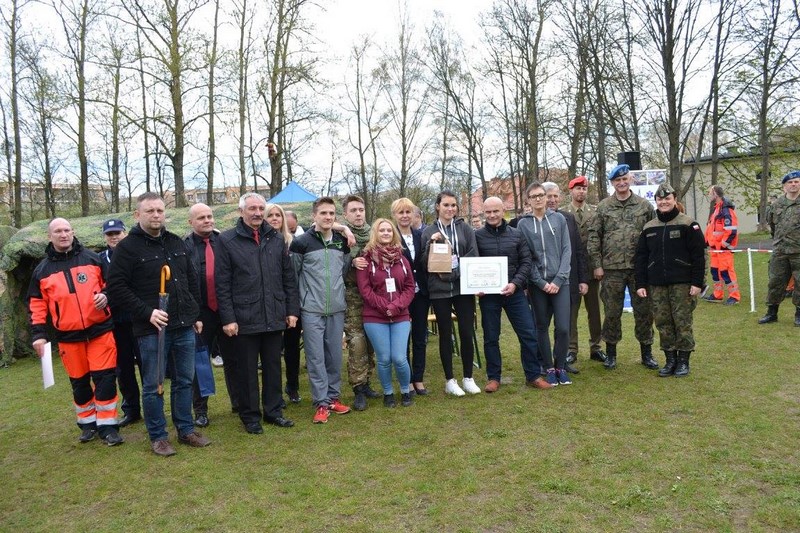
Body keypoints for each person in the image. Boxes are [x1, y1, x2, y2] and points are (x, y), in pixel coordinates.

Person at [107, 192, 209, 457]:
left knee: (184, 381)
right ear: (137, 214)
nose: (156, 215)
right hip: (152, 330)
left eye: (160, 211)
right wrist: (147, 312)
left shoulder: (176, 242)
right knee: (153, 386)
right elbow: (116, 288)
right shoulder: (127, 248)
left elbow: (190, 279)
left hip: (183, 325)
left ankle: (186, 430)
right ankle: (159, 436)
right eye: (150, 211)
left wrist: (196, 314)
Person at [27, 218, 123, 446]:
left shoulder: (93, 259)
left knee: (105, 380)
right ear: (49, 236)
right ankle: (87, 424)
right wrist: (38, 335)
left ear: (73, 232)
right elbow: (36, 305)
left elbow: (112, 285)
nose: (63, 235)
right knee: (79, 384)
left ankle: (108, 427)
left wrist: (106, 296)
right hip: (69, 338)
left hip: (100, 332)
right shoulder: (41, 271)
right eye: (58, 231)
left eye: (67, 230)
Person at [215, 194, 299, 434]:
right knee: (247, 371)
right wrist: (228, 318)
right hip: (244, 317)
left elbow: (288, 278)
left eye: (261, 208)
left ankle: (274, 411)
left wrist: (291, 310)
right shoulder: (227, 240)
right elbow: (222, 283)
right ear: (241, 211)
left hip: (274, 314)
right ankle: (250, 416)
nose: (258, 213)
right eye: (252, 208)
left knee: (273, 366)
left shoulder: (276, 238)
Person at [474, 197, 552, 392]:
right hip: (489, 295)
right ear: (484, 213)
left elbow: (526, 262)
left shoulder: (516, 234)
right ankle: (494, 377)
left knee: (528, 333)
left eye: (496, 211)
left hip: (514, 292)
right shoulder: (477, 236)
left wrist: (515, 283)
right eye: (488, 212)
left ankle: (533, 375)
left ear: (503, 211)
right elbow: (472, 263)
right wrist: (476, 285)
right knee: (491, 337)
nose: (492, 215)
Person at [587, 164, 658, 371]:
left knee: (644, 312)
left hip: (639, 269)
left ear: (630, 180)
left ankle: (647, 353)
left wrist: (651, 265)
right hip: (612, 270)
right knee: (611, 313)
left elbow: (653, 236)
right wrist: (597, 265)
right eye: (617, 180)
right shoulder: (603, 207)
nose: (621, 183)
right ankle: (611, 354)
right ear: (612, 183)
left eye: (625, 179)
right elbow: (594, 237)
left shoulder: (644, 206)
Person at [289, 197, 352, 424]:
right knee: (315, 358)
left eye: (331, 213)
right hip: (311, 310)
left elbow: (344, 271)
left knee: (334, 356)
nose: (328, 217)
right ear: (314, 215)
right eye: (323, 213)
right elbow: (293, 276)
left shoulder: (341, 242)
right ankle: (321, 403)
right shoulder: (301, 243)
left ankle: (333, 397)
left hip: (336, 308)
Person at [635, 183, 705, 377]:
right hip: (656, 284)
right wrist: (641, 283)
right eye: (660, 199)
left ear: (675, 200)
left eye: (667, 199)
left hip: (682, 284)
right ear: (656, 202)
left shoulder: (688, 224)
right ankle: (670, 360)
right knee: (663, 322)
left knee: (682, 322)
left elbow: (699, 256)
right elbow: (641, 258)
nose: (664, 202)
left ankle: (683, 361)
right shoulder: (649, 227)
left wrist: (697, 283)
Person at [421, 190, 481, 396]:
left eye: (453, 205)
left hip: (463, 287)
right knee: (445, 334)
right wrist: (430, 244)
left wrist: (456, 273)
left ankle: (468, 377)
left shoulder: (465, 229)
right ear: (437, 206)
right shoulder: (429, 231)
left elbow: (473, 254)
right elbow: (423, 263)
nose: (450, 209)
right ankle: (450, 380)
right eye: (446, 205)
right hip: (439, 289)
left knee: (466, 331)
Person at [184, 203, 238, 426]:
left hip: (228, 311)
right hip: (200, 314)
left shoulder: (226, 242)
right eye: (201, 218)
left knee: (234, 359)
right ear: (191, 222)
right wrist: (193, 315)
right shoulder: (184, 247)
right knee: (200, 363)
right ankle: (201, 410)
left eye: (209, 216)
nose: (207, 220)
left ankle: (239, 402)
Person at [356, 219, 416, 407]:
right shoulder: (365, 260)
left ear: (393, 233)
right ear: (375, 233)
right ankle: (388, 393)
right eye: (382, 230)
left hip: (400, 315)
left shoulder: (402, 259)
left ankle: (405, 390)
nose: (386, 233)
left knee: (399, 358)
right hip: (375, 317)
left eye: (389, 230)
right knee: (383, 359)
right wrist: (385, 307)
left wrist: (396, 306)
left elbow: (410, 287)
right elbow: (365, 290)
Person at [518, 183, 573, 386]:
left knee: (563, 328)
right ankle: (548, 367)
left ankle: (561, 367)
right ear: (528, 200)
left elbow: (567, 250)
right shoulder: (523, 225)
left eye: (541, 195)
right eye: (534, 196)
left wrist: (558, 280)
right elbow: (526, 257)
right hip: (538, 285)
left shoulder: (558, 219)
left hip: (561, 282)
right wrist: (540, 282)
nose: (539, 199)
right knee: (541, 326)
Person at [543, 181, 588, 374]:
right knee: (542, 324)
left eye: (555, 196)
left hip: (568, 280)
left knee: (564, 326)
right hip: (543, 283)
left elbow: (578, 250)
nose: (552, 200)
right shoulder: (532, 220)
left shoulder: (568, 218)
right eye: (548, 196)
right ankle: (543, 362)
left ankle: (561, 361)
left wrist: (583, 279)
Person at [341, 195, 380, 411]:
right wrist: (351, 260)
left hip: (373, 295)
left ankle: (367, 382)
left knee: (371, 339)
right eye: (353, 210)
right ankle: (358, 388)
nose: (358, 214)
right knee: (357, 342)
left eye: (361, 210)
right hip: (352, 295)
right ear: (345, 214)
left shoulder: (374, 234)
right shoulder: (340, 236)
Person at [102, 219, 142, 428]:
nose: (114, 237)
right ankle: (131, 410)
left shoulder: (136, 253)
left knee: (147, 365)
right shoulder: (100, 260)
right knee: (123, 369)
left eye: (117, 233)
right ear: (105, 237)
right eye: (110, 234)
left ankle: (153, 408)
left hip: (140, 319)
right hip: (115, 323)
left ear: (125, 233)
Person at [561, 176, 605, 365]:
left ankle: (596, 347)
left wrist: (598, 265)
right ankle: (571, 349)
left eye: (584, 188)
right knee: (571, 312)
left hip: (591, 268)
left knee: (594, 312)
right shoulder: (563, 213)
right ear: (571, 191)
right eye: (578, 188)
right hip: (571, 270)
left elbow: (601, 238)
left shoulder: (595, 212)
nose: (581, 192)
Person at [265, 203, 303, 404]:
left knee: (292, 347)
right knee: (271, 352)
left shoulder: (293, 242)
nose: (274, 219)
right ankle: (274, 393)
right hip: (269, 303)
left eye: (278, 215)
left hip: (292, 301)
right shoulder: (260, 243)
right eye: (270, 215)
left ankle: (292, 386)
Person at [391, 197, 430, 394]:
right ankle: (405, 380)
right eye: (401, 212)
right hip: (400, 294)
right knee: (403, 339)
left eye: (408, 212)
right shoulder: (390, 237)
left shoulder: (421, 235)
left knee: (420, 337)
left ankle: (418, 378)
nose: (405, 216)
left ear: (414, 214)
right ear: (394, 215)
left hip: (421, 293)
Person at [759, 171, 800, 326]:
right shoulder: (776, 205)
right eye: (790, 182)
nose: (793, 184)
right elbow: (773, 226)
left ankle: (799, 314)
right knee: (775, 282)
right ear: (784, 186)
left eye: (796, 182)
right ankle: (772, 313)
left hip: (798, 252)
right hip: (780, 251)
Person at [703, 185, 740, 305]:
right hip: (715, 249)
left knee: (726, 272)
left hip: (723, 249)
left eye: (710, 192)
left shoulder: (726, 210)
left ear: (715, 194)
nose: (709, 195)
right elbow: (711, 228)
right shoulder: (718, 209)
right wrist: (706, 242)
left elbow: (731, 230)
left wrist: (724, 245)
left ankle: (734, 296)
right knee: (715, 272)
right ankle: (717, 294)